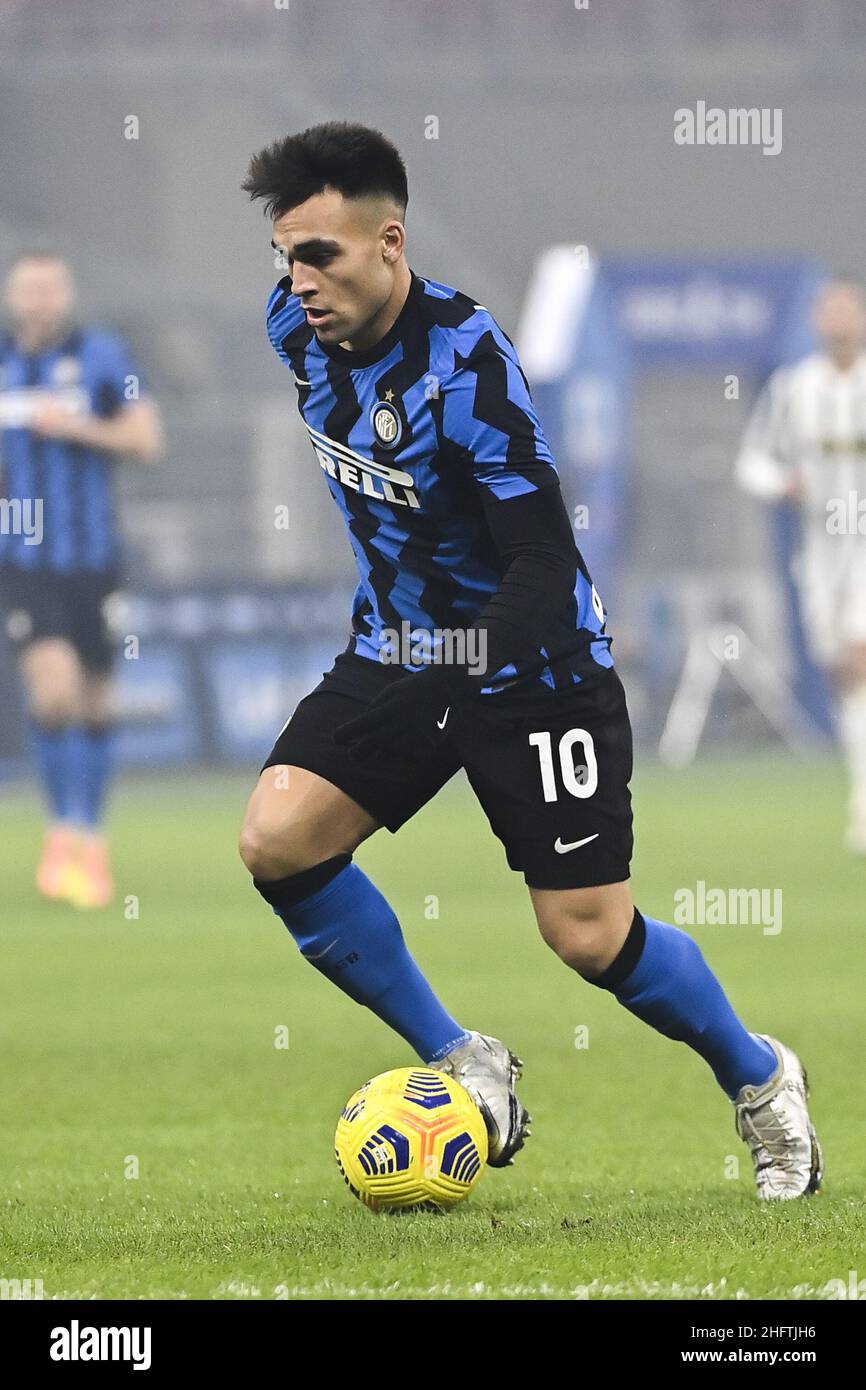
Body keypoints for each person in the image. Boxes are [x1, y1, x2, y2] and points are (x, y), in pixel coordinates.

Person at [239, 122, 822, 1200]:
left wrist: (458, 669)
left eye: (318, 252)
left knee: (590, 938)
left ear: (390, 244)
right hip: (398, 649)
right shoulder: (293, 327)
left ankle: (758, 1077)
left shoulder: (470, 367)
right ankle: (462, 1056)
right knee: (278, 840)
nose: (298, 279)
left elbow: (544, 564)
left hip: (533, 665)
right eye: (285, 255)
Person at [0, 252, 164, 907]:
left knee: (96, 702)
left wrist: (77, 427)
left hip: (96, 561)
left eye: (50, 289)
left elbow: (148, 439)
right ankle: (63, 830)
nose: (39, 301)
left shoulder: (101, 357)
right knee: (53, 691)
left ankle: (90, 838)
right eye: (28, 290)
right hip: (22, 564)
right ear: (13, 297)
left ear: (66, 295)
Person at [737, 276, 866, 854]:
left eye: (847, 309)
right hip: (820, 556)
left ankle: (862, 806)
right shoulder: (795, 389)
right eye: (829, 309)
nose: (837, 319)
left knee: (859, 660)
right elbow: (752, 461)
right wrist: (782, 482)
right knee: (842, 674)